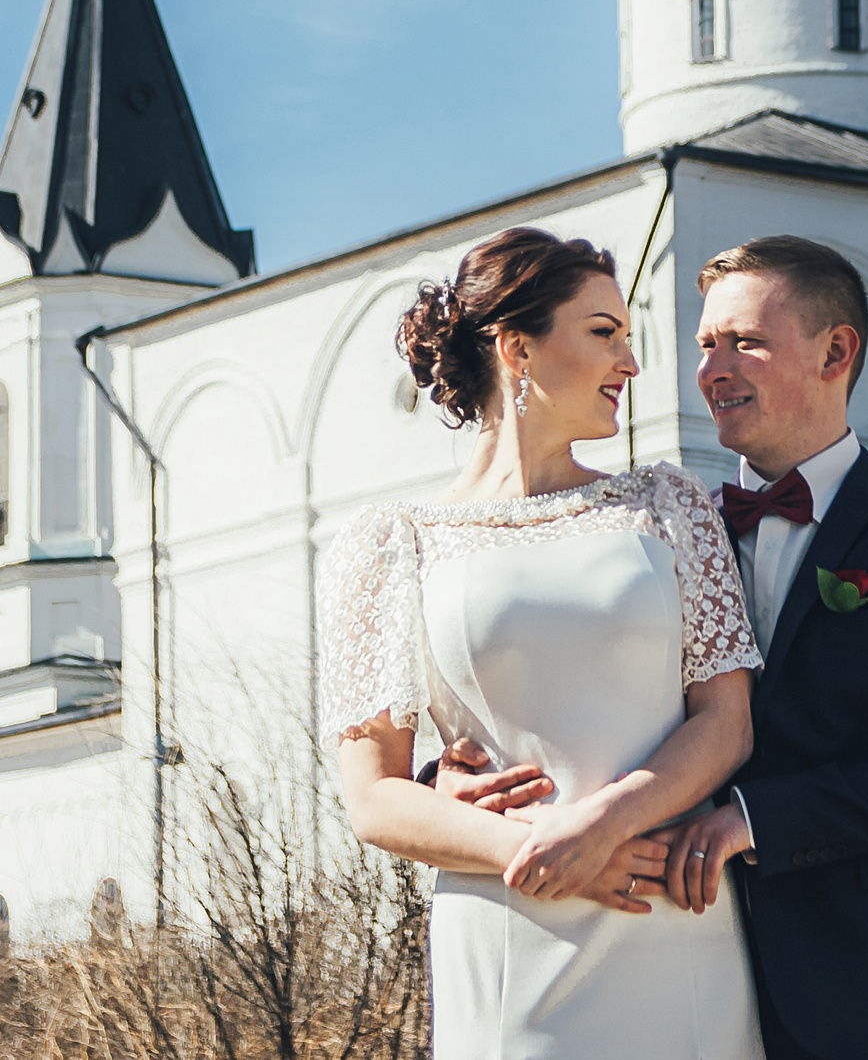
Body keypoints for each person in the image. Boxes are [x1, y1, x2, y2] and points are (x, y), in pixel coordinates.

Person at [444, 235, 868, 1060]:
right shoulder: (660, 535)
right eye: (705, 343)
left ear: (836, 352)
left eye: (744, 342)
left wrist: (751, 819)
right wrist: (452, 778)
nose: (711, 369)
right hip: (677, 970)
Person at [317, 227, 767, 1060]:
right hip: (507, 928)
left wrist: (599, 825)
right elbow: (373, 794)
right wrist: (535, 848)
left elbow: (726, 722)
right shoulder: (391, 543)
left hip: (673, 921)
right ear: (516, 347)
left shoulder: (669, 506)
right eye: (603, 332)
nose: (631, 362)